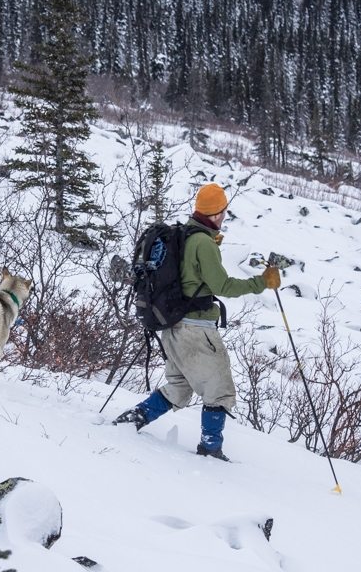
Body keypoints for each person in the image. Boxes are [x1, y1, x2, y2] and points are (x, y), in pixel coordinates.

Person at [113, 182, 280, 460]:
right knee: (220, 390)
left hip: (173, 326)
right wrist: (261, 282)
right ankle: (211, 449)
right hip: (196, 329)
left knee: (179, 387)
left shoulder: (185, 234)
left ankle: (131, 422)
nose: (224, 216)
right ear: (217, 213)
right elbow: (223, 285)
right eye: (223, 211)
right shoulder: (203, 242)